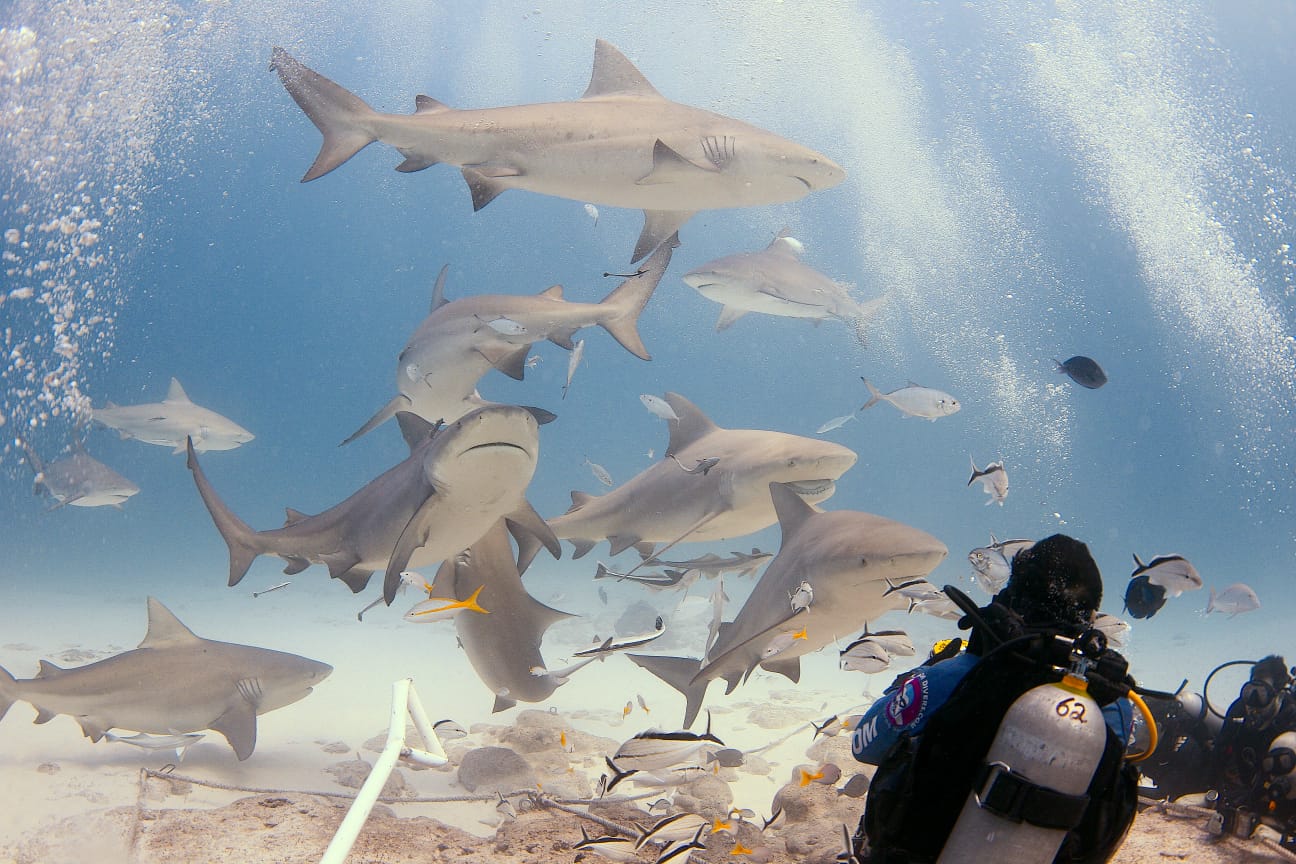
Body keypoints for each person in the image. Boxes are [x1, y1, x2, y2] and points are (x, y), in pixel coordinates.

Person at [849, 534, 1139, 864]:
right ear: (1090, 619)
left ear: (1010, 598)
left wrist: (921, 675)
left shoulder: (954, 676)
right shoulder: (1113, 702)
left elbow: (863, 743)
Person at [1209, 654, 1296, 839]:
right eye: (1250, 693)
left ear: (1279, 695)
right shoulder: (1238, 711)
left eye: (1261, 695)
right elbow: (1219, 758)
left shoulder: (1291, 719)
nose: (1252, 705)